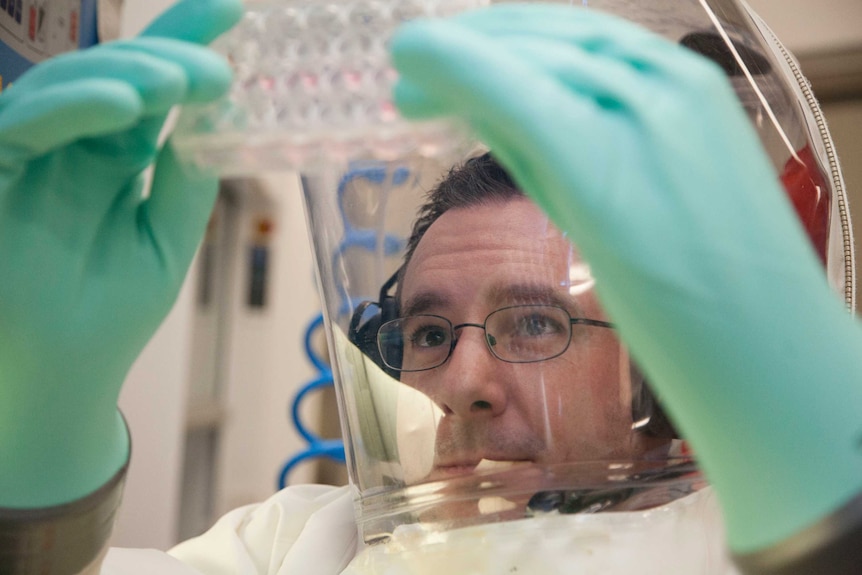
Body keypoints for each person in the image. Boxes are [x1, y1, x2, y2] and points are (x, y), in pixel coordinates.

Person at [1, 1, 860, 575]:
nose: (461, 385)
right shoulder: (304, 542)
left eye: (532, 321)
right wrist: (33, 452)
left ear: (655, 368)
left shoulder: (743, 531)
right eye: (429, 333)